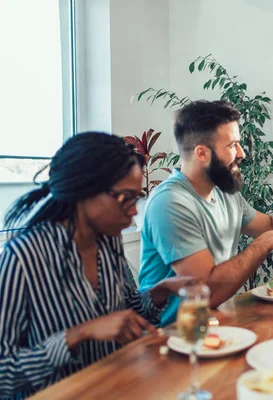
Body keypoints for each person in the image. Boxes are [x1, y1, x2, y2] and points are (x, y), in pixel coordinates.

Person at [0, 133, 199, 399]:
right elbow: (4, 373)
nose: (133, 211)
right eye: (125, 198)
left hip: (117, 387)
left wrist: (162, 289)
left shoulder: (108, 242)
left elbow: (125, 311)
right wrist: (78, 334)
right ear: (85, 191)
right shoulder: (22, 257)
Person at [138, 100, 273, 325]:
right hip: (167, 338)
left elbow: (270, 225)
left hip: (214, 325)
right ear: (202, 153)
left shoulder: (224, 193)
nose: (242, 153)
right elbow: (205, 291)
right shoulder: (170, 202)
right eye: (232, 145)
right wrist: (264, 243)